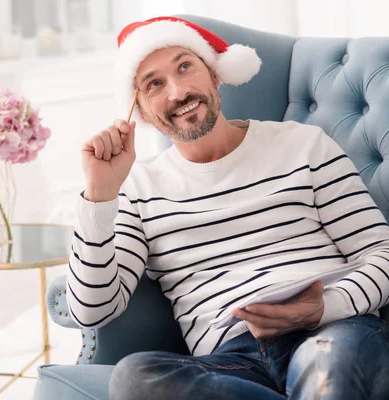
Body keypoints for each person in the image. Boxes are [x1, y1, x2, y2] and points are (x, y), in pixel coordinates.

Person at [66, 16, 389, 400]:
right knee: (135, 377)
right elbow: (91, 311)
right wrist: (100, 196)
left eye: (185, 66)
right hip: (233, 362)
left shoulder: (304, 144)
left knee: (327, 367)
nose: (178, 91)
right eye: (154, 84)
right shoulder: (135, 190)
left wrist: (324, 308)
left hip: (333, 333)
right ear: (141, 113)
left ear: (214, 75)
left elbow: (381, 253)